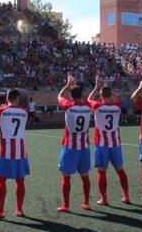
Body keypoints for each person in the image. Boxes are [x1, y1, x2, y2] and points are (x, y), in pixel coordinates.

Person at [88, 77, 130, 205]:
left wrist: (96, 87)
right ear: (110, 94)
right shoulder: (116, 107)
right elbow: (118, 99)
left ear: (100, 95)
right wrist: (110, 92)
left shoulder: (97, 106)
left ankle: (104, 198)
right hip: (115, 144)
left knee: (101, 171)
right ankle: (126, 196)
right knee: (120, 170)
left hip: (101, 144)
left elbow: (89, 99)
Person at [0, 89, 29, 219]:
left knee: (1, 180)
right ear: (18, 98)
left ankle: (0, 211)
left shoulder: (2, 110)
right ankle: (19, 209)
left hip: (6, 151)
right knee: (20, 180)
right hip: (21, 151)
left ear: (7, 98)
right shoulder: (24, 111)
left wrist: (2, 109)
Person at [56, 76, 92, 213]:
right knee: (85, 176)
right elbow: (85, 99)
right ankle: (86, 203)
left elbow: (59, 95)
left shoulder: (68, 106)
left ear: (71, 96)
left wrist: (67, 85)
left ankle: (66, 205)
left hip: (70, 147)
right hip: (84, 147)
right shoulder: (88, 106)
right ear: (82, 94)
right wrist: (78, 89)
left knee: (66, 176)